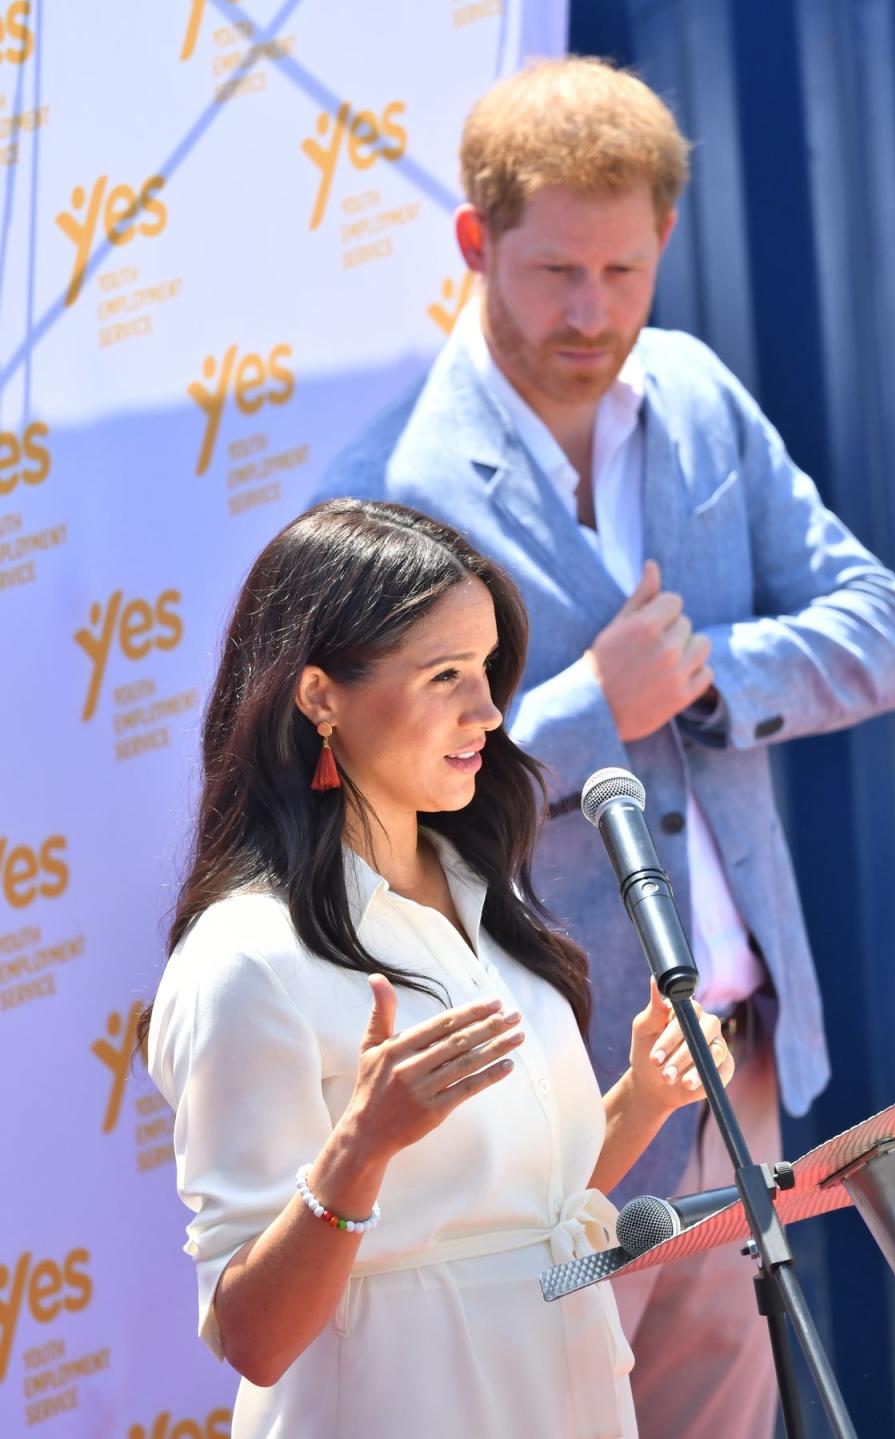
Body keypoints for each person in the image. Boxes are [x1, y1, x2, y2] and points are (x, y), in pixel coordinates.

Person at [318, 57, 895, 1438]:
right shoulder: (387, 487)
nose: (594, 314)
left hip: (738, 1048)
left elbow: (884, 629)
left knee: (730, 1408)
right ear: (475, 246)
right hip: (547, 1089)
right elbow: (367, 805)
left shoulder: (698, 394)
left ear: (663, 245)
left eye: (626, 271)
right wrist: (595, 704)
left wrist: (710, 674)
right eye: (554, 273)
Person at [141, 498, 735, 1439]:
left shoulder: (482, 890)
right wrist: (360, 1149)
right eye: (446, 675)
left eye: (490, 670)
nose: (489, 712)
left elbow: (527, 1207)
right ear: (319, 695)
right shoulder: (242, 957)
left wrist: (643, 1100)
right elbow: (253, 1335)